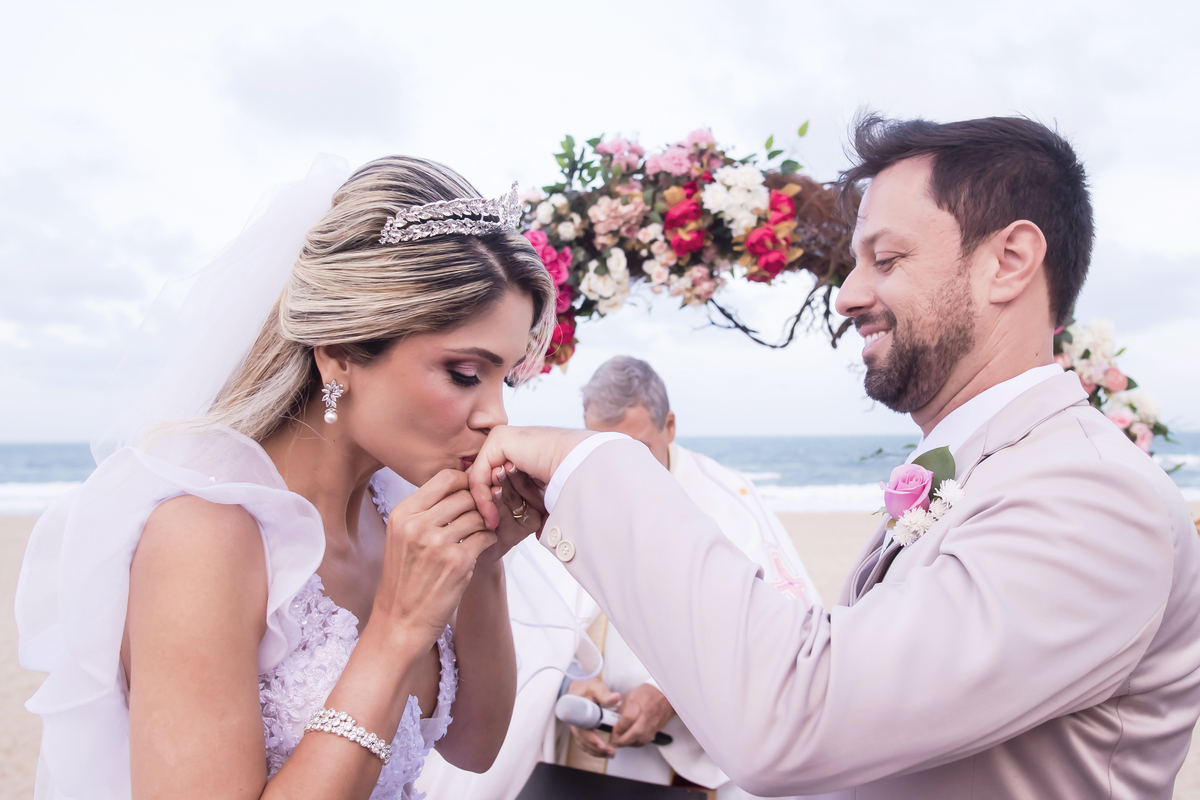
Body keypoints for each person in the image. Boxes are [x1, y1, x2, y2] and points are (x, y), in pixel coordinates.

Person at [467, 116, 1200, 798]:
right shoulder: (982, 467)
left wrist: (588, 466)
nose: (848, 295)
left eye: (886, 258)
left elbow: (795, 709)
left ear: (1009, 262)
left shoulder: (1093, 497)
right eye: (853, 263)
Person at [16, 155, 558, 800]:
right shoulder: (203, 538)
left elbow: (474, 746)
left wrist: (484, 564)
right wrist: (396, 629)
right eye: (466, 374)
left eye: (506, 381)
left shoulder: (400, 517)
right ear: (339, 350)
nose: (494, 415)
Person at [560, 355, 819, 796]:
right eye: (599, 447)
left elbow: (783, 627)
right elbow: (542, 617)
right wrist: (571, 682)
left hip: (696, 756)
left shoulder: (726, 499)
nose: (615, 469)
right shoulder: (569, 491)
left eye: (633, 449)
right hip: (595, 751)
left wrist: (672, 695)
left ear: (670, 426)